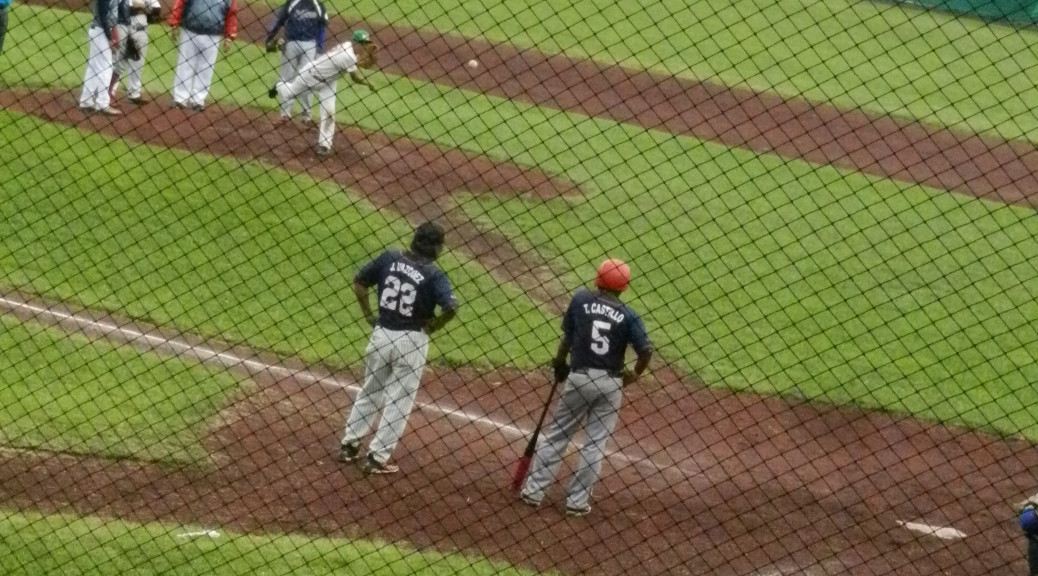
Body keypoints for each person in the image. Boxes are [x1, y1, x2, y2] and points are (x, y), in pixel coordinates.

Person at [519, 258, 653, 517]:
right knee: (595, 444)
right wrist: (634, 375)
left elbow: (568, 337)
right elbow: (646, 350)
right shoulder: (629, 315)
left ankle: (534, 492)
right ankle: (576, 502)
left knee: (557, 435)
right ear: (624, 286)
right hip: (610, 384)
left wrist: (560, 362)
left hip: (579, 378)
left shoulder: (581, 300)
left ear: (598, 279)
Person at [338, 221, 459, 475]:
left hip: (381, 334)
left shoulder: (390, 257)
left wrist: (368, 315)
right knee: (399, 400)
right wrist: (435, 326)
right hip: (411, 340)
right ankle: (377, 458)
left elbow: (359, 281)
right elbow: (451, 307)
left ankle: (349, 445)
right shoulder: (433, 274)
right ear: (436, 247)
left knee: (371, 389)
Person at [267, 28, 377, 156]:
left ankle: (324, 145)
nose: (365, 46)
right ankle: (279, 85)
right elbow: (355, 77)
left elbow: (351, 62)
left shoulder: (348, 45)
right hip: (311, 75)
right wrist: (368, 83)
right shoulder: (347, 56)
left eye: (366, 43)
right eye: (363, 43)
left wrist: (358, 61)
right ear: (355, 42)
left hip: (329, 82)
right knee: (288, 94)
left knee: (329, 112)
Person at [264, 0, 328, 123]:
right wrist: (270, 39)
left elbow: (322, 27)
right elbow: (278, 21)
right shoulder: (292, 3)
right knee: (287, 78)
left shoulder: (318, 5)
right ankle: (285, 113)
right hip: (291, 43)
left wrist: (319, 48)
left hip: (310, 44)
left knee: (307, 79)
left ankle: (306, 115)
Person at [167, 0, 237, 111]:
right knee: (185, 65)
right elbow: (180, 2)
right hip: (190, 31)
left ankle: (198, 101)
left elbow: (231, 13)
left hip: (213, 36)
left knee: (206, 69)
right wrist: (174, 22)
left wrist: (229, 36)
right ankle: (180, 99)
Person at [110, 0, 161, 104]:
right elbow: (125, 10)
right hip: (124, 29)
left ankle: (134, 94)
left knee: (137, 64)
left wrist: (141, 8)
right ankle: (109, 93)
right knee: (117, 63)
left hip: (141, 31)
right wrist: (143, 8)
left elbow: (157, 10)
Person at [78, 0, 122, 115]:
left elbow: (111, 17)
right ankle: (102, 104)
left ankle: (86, 101)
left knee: (93, 68)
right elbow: (103, 15)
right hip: (100, 32)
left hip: (99, 31)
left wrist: (114, 35)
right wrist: (109, 38)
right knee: (106, 67)